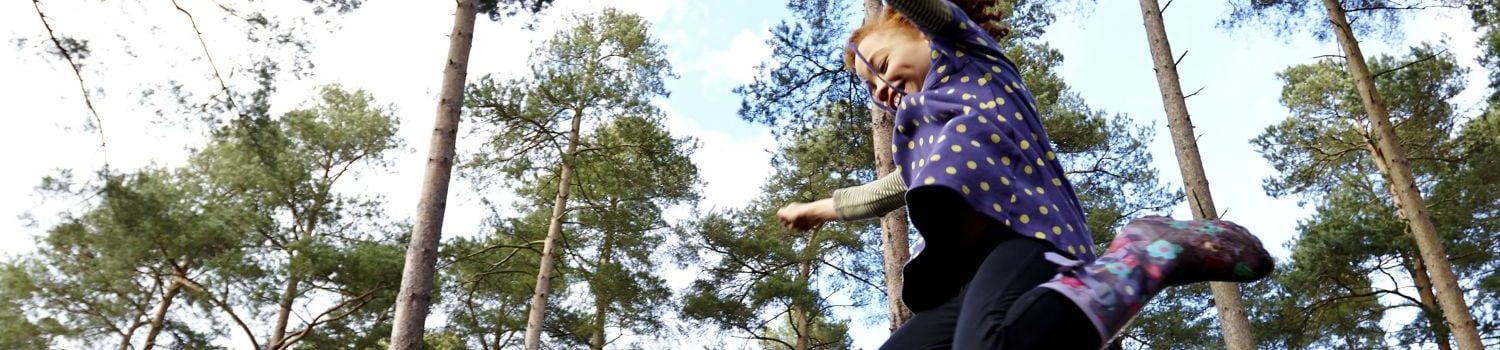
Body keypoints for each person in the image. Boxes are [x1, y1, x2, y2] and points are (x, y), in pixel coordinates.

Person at [774, 1, 1274, 348]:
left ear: (919, 30)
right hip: (967, 271)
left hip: (1028, 234)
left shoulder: (969, 59)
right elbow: (888, 191)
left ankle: (1141, 258)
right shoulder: (928, 145)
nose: (882, 87)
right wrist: (814, 210)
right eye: (871, 85)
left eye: (882, 64)